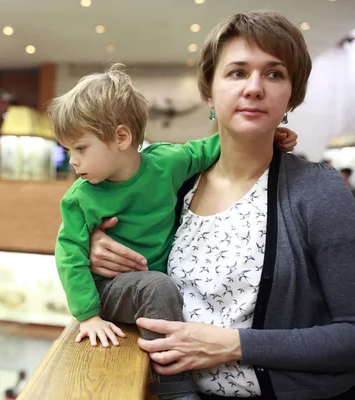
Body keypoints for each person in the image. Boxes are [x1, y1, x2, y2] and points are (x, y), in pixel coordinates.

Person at [86, 10, 355, 400]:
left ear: (291, 97)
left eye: (274, 74)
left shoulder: (319, 192)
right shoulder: (175, 187)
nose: (255, 87)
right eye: (237, 72)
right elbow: (105, 263)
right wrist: (97, 246)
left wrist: (235, 344)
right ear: (209, 91)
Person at [48, 63, 297, 399]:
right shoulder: (80, 198)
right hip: (107, 291)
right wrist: (88, 316)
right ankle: (174, 391)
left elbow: (209, 149)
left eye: (80, 148)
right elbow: (69, 257)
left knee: (157, 286)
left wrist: (267, 137)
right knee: (156, 285)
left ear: (121, 137)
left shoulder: (166, 162)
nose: (72, 161)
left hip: (154, 292)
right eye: (68, 151)